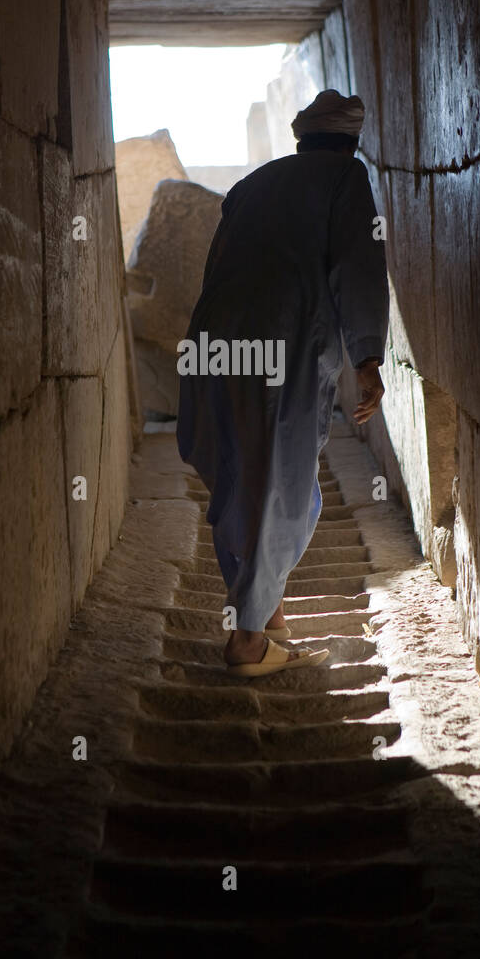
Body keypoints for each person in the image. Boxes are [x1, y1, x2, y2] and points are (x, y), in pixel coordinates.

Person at [176, 89, 389, 677]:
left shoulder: (253, 184)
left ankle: (266, 621)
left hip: (216, 341)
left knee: (239, 476)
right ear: (350, 143)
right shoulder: (347, 179)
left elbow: (215, 268)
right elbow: (358, 265)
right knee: (283, 483)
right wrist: (368, 358)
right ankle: (245, 642)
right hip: (281, 344)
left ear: (302, 140)